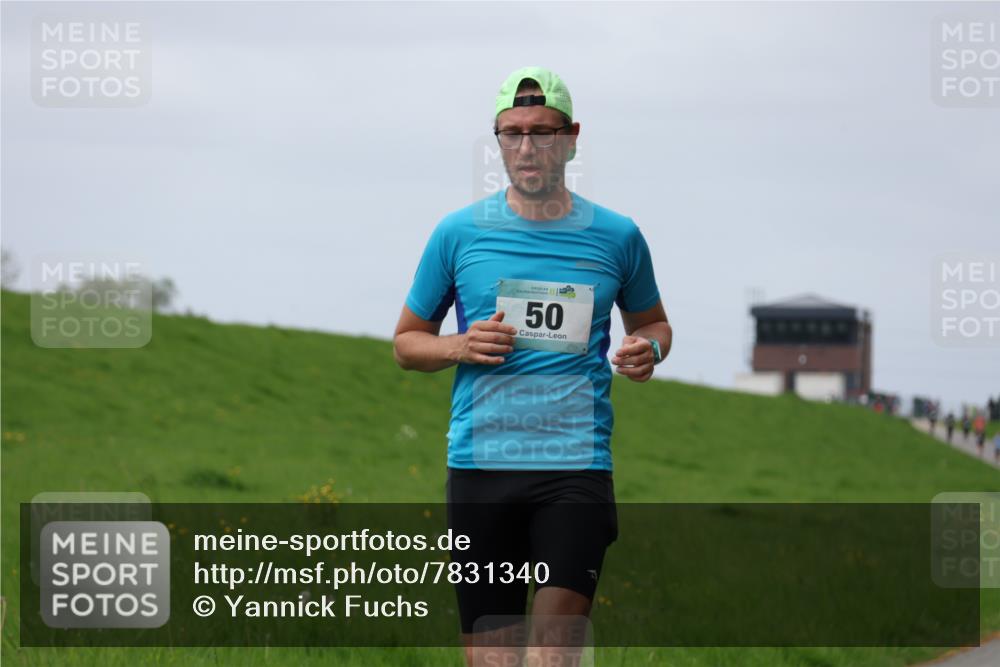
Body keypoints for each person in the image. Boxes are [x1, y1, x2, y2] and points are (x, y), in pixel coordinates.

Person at [393, 66, 672, 666]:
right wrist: (458, 346)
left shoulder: (618, 236)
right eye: (512, 132)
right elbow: (407, 343)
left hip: (575, 467)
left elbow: (654, 325)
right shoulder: (457, 234)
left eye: (542, 132)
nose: (526, 147)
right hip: (481, 466)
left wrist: (647, 349)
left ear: (571, 138)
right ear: (497, 139)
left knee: (552, 655)